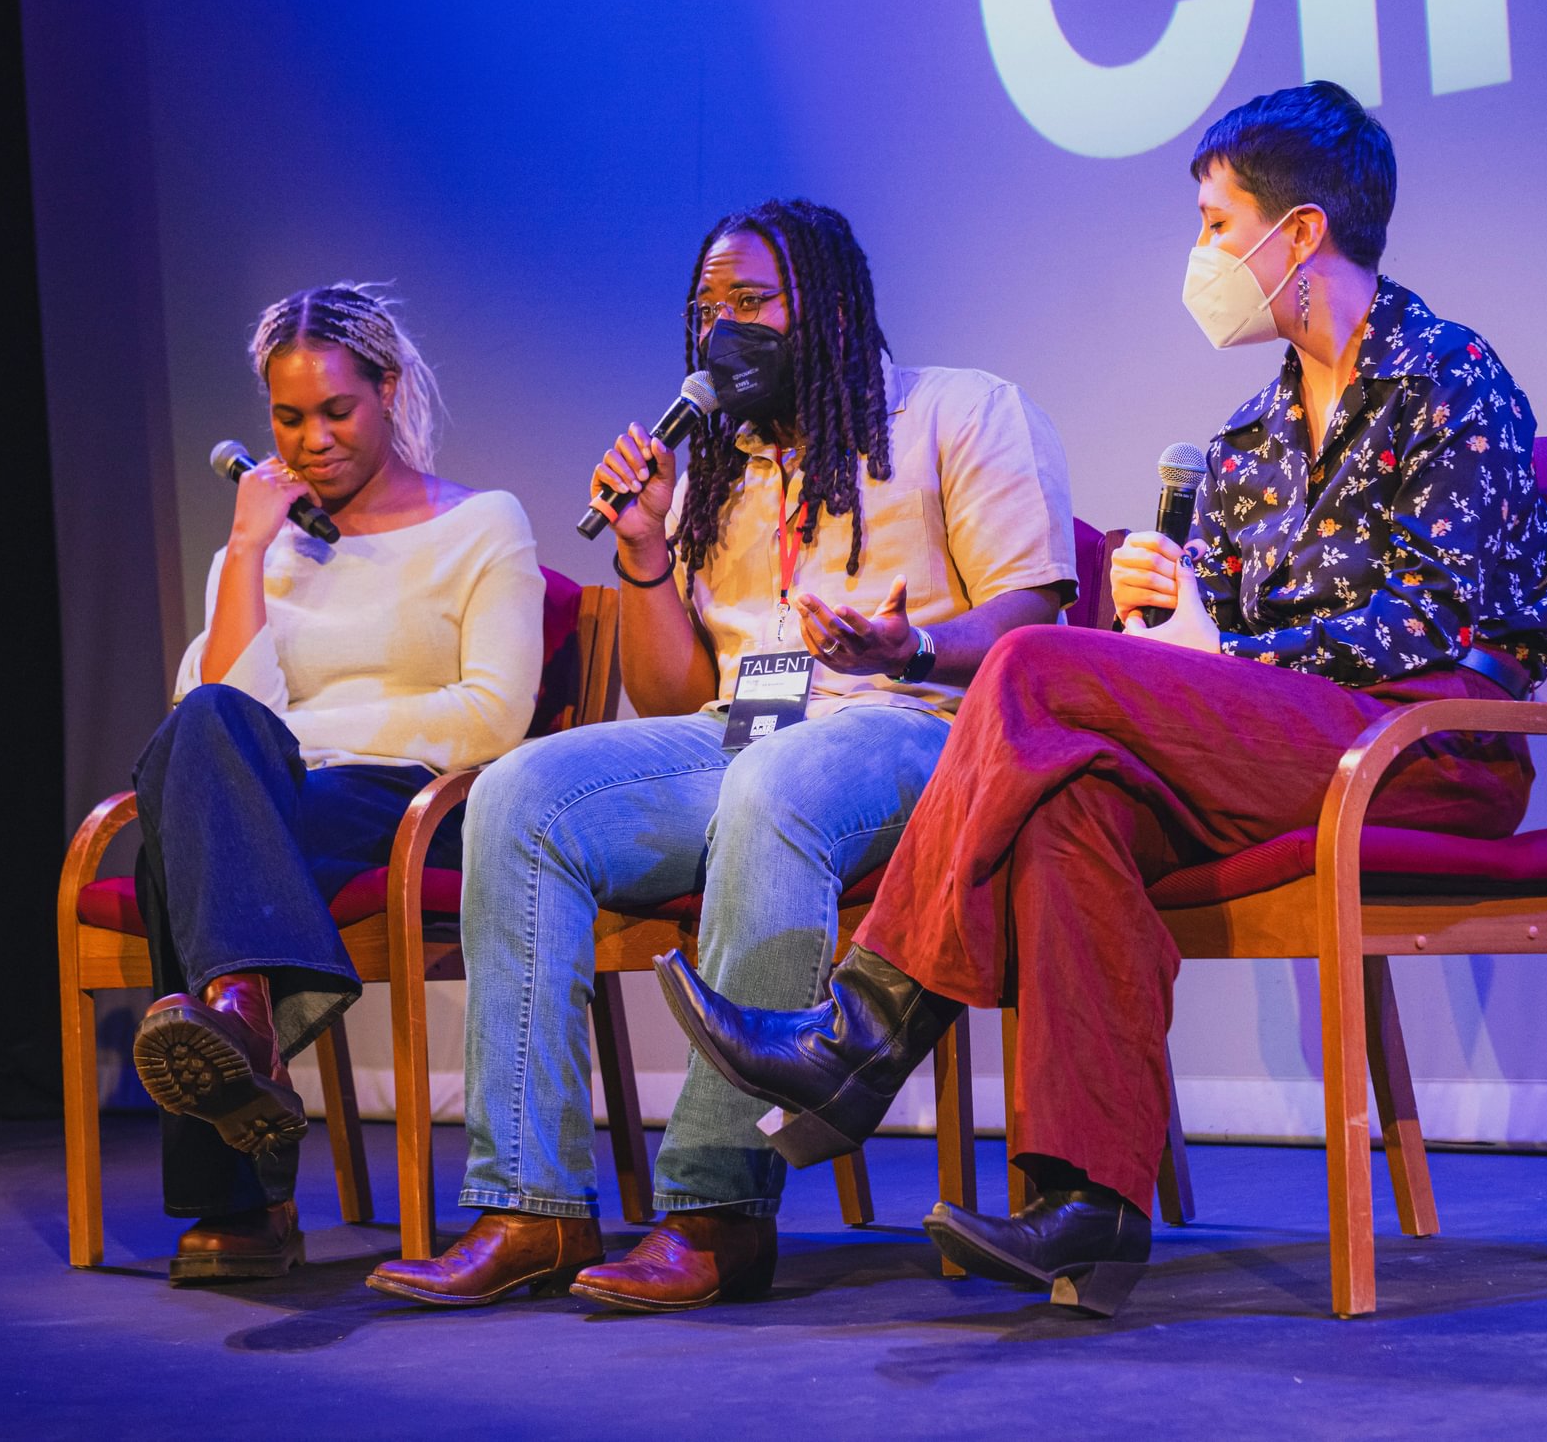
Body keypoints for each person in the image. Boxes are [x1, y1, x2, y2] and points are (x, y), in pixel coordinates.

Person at [659, 82, 1547, 1300]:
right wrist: (1182, 617)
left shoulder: (1448, 378)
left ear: (1297, 234)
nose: (1199, 254)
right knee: (1069, 801)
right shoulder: (1244, 441)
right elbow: (1232, 636)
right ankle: (1089, 1202)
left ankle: (861, 1029)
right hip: (1285, 750)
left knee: (1037, 661)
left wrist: (1220, 655)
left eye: (1213, 224)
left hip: (1424, 750)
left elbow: (1442, 614)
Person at [365, 199, 1077, 1310]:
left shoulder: (961, 411)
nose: (724, 331)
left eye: (753, 303)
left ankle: (714, 1208)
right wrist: (646, 550)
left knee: (772, 785)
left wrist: (914, 642)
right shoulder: (720, 468)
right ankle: (531, 1208)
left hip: (917, 720)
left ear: (828, 309)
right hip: (745, 726)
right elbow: (677, 695)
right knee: (518, 796)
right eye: (708, 310)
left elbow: (1030, 622)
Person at [127, 285, 543, 1285]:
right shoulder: (271, 549)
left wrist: (294, 738)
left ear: (389, 392)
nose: (310, 440)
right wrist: (242, 551)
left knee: (181, 848)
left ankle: (247, 1185)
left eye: (335, 411)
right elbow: (210, 710)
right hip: (285, 806)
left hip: (416, 805)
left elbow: (490, 715)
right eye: (286, 416)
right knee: (206, 753)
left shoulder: (482, 524)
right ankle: (246, 1027)